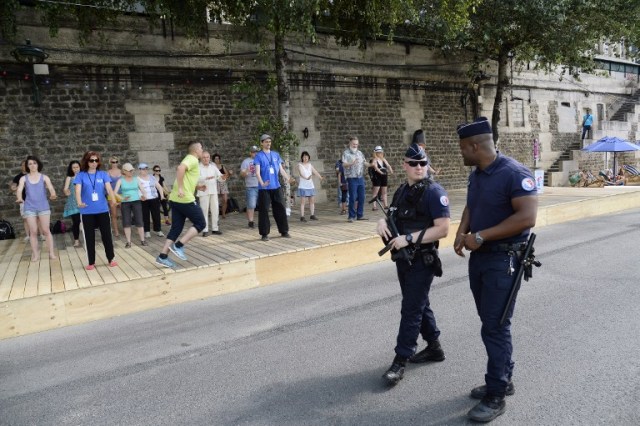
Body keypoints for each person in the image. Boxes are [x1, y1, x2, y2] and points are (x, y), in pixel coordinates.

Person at [453, 117, 538, 422]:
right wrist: (462, 231)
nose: (460, 153)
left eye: (463, 148)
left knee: (495, 326)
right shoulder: (477, 174)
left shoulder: (513, 173)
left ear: (475, 146)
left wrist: (480, 236)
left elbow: (527, 217)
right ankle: (504, 376)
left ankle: (496, 393)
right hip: (481, 259)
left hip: (503, 260)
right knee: (491, 322)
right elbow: (471, 206)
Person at [376, 143, 450, 386]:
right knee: (419, 304)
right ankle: (435, 347)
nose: (419, 167)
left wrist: (407, 239)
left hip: (422, 259)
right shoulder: (401, 191)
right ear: (404, 166)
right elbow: (393, 217)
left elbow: (443, 229)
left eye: (423, 163)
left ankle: (400, 360)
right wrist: (381, 223)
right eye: (414, 164)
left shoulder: (433, 191)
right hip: (403, 260)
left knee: (410, 308)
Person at [155, 141, 207, 268]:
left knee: (176, 229)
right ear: (195, 150)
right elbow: (180, 168)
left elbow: (186, 177)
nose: (202, 149)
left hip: (175, 199)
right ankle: (178, 245)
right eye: (201, 148)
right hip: (185, 200)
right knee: (201, 223)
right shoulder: (192, 159)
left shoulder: (190, 159)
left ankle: (162, 256)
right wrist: (180, 188)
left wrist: (197, 186)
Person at [74, 151, 118, 270]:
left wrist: (113, 200)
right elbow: (77, 191)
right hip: (87, 211)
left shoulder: (103, 174)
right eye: (91, 160)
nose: (94, 163)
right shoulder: (81, 175)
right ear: (86, 161)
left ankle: (111, 258)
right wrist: (79, 202)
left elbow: (109, 188)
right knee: (89, 237)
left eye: (96, 160)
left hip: (102, 210)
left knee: (107, 235)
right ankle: (91, 261)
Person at [15, 155, 58, 261]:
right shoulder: (23, 178)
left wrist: (53, 194)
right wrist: (19, 198)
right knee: (33, 231)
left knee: (46, 230)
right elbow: (19, 190)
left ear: (38, 164)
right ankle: (35, 254)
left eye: (34, 163)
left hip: (43, 206)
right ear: (27, 166)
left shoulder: (44, 177)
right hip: (29, 207)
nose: (32, 165)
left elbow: (51, 188)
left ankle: (51, 253)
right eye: (30, 164)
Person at [254, 134, 293, 241]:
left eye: (269, 142)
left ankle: (284, 231)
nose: (268, 144)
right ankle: (264, 234)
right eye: (266, 142)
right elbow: (257, 172)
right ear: (261, 143)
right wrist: (262, 183)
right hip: (264, 188)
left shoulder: (276, 155)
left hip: (276, 186)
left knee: (280, 208)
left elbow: (281, 170)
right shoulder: (259, 156)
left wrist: (288, 178)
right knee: (264, 210)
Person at [113, 163, 147, 248]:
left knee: (139, 221)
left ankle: (143, 240)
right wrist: (122, 198)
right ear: (124, 171)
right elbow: (114, 192)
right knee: (126, 222)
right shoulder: (120, 180)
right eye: (130, 171)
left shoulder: (136, 179)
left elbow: (143, 190)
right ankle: (128, 242)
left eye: (132, 170)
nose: (131, 172)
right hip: (125, 203)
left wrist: (144, 196)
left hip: (136, 201)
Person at [198, 151, 224, 236]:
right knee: (204, 211)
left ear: (209, 158)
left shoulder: (213, 167)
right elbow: (196, 179)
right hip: (203, 191)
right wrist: (206, 178)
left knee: (215, 210)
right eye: (204, 157)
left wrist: (223, 177)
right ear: (201, 158)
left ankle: (215, 228)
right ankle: (205, 230)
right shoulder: (198, 167)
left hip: (213, 191)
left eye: (207, 157)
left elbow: (220, 177)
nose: (206, 159)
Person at [342, 136, 367, 222]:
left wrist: (372, 164)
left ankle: (360, 215)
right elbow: (344, 164)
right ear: (350, 143)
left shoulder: (360, 153)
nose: (355, 145)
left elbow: (364, 162)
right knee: (353, 197)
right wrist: (351, 163)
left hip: (360, 177)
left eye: (356, 144)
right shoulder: (346, 153)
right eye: (353, 144)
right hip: (351, 178)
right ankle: (351, 216)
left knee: (362, 197)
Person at [138, 163, 165, 238]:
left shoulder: (152, 177)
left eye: (146, 169)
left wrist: (162, 195)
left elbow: (159, 187)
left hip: (154, 199)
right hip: (144, 200)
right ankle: (147, 231)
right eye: (143, 169)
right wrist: (140, 196)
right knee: (145, 215)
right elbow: (137, 190)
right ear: (139, 170)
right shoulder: (137, 179)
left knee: (156, 215)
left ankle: (158, 230)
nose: (145, 170)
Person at [297, 151, 324, 222]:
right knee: (303, 202)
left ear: (308, 158)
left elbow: (315, 172)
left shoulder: (310, 165)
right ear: (302, 158)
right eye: (304, 156)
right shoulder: (300, 165)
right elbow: (301, 173)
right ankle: (302, 216)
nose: (305, 158)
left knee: (312, 201)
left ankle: (312, 215)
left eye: (306, 156)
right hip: (303, 186)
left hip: (310, 185)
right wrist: (306, 178)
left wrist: (320, 177)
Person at [63, 160, 82, 248]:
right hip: (73, 203)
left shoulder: (83, 176)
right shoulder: (69, 178)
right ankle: (76, 240)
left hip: (84, 201)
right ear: (71, 169)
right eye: (73, 167)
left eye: (77, 167)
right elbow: (65, 189)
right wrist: (66, 191)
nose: (75, 169)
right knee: (76, 222)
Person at [240, 145, 260, 228]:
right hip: (251, 186)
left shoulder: (261, 160)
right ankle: (251, 221)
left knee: (262, 205)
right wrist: (247, 171)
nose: (255, 153)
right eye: (253, 152)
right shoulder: (246, 162)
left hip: (261, 186)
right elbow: (242, 174)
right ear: (250, 153)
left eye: (256, 152)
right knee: (251, 205)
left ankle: (262, 221)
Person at [10, 160, 30, 240]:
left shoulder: (32, 175)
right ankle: (28, 235)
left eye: (26, 165)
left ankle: (41, 234)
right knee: (25, 218)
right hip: (23, 200)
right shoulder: (18, 177)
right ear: (21, 167)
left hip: (34, 199)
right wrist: (19, 186)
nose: (24, 166)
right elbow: (12, 188)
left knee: (38, 218)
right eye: (23, 165)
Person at [370, 146, 394, 210]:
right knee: (376, 191)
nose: (379, 153)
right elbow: (375, 167)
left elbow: (388, 165)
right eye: (378, 152)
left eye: (380, 152)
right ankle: (374, 206)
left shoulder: (383, 159)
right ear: (375, 153)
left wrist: (391, 170)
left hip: (384, 175)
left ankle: (385, 205)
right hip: (377, 176)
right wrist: (380, 172)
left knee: (384, 191)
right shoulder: (374, 159)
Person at [213, 153, 233, 218]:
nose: (217, 160)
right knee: (215, 200)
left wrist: (229, 174)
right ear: (213, 160)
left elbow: (227, 175)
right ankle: (215, 213)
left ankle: (223, 213)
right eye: (216, 159)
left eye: (218, 158)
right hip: (215, 184)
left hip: (223, 184)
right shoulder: (212, 167)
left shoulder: (222, 166)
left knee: (225, 199)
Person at [107, 156, 122, 237]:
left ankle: (126, 228)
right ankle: (116, 231)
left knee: (125, 213)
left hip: (121, 194)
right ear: (110, 163)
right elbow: (106, 185)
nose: (115, 164)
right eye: (113, 162)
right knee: (114, 214)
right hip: (111, 195)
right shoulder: (108, 172)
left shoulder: (122, 171)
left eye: (116, 162)